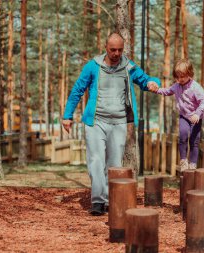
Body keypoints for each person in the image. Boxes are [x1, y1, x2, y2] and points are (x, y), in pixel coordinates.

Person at [62, 32, 160, 216]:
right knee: (96, 161)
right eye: (113, 49)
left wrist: (154, 83)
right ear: (105, 47)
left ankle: (110, 200)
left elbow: (145, 80)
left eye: (120, 50)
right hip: (96, 122)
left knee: (114, 164)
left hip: (119, 122)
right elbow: (77, 90)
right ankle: (98, 201)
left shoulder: (128, 67)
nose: (116, 53)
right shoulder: (93, 66)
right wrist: (67, 115)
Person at [155, 59, 204, 171]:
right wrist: (157, 90)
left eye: (182, 76)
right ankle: (183, 160)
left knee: (194, 140)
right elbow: (167, 91)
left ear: (190, 74)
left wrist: (198, 114)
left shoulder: (196, 87)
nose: (180, 79)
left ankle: (193, 163)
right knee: (183, 136)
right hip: (184, 116)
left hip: (195, 118)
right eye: (177, 77)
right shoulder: (177, 85)